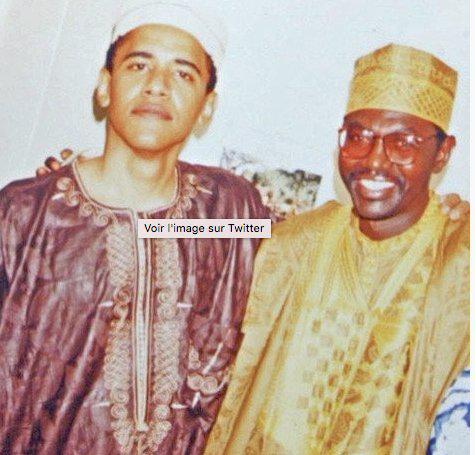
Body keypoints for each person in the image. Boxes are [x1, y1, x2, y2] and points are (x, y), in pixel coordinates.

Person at [0, 3, 270, 454]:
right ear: (105, 87)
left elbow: (302, 258)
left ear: (207, 108)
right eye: (139, 65)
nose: (157, 86)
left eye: (182, 74)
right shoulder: (25, 215)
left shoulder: (229, 214)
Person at [205, 44, 469, 454]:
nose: (374, 161)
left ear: (442, 153)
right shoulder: (294, 242)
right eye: (358, 137)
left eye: (403, 143)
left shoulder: (461, 263)